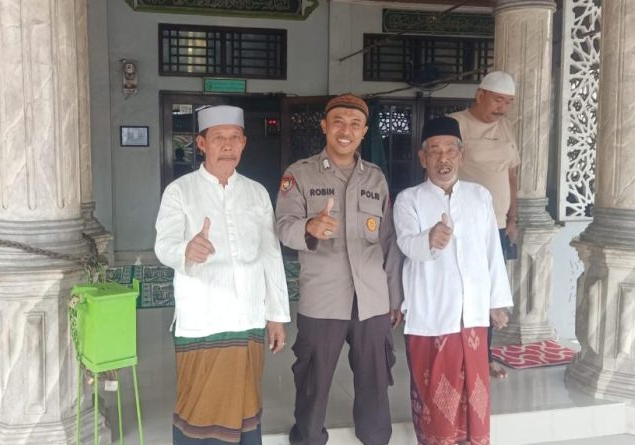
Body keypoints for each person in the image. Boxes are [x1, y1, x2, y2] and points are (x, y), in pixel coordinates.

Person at [154, 105, 291, 445]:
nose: (227, 145)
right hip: (203, 319)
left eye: (234, 138)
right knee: (200, 411)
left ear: (244, 143)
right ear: (202, 144)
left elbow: (271, 255)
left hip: (248, 317)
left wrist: (276, 315)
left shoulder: (257, 192)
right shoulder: (180, 191)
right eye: (218, 138)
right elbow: (163, 244)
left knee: (246, 407)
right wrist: (186, 249)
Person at [275, 93, 403, 445]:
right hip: (323, 298)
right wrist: (309, 227)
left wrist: (394, 297)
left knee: (375, 380)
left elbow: (388, 240)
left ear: (364, 132)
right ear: (324, 126)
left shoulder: (376, 178)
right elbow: (283, 226)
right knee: (313, 381)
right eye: (338, 123)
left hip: (372, 300)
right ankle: (308, 438)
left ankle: (375, 438)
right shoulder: (299, 174)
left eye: (355, 124)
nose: (346, 131)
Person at [393, 116, 512, 445]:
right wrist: (430, 239)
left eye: (450, 150)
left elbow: (492, 250)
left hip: (472, 314)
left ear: (461, 155)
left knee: (475, 393)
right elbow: (406, 244)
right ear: (423, 158)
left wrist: (496, 302)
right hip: (431, 312)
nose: (443, 157)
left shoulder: (479, 196)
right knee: (437, 398)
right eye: (434, 151)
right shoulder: (409, 199)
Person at [449, 70, 519, 380]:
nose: (503, 107)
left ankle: (484, 357)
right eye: (498, 100)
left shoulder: (506, 128)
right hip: (463, 225)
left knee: (490, 292)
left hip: (498, 226)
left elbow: (511, 176)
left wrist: (513, 218)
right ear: (480, 95)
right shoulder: (456, 124)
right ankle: (454, 355)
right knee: (460, 289)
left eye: (508, 102)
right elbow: (439, 169)